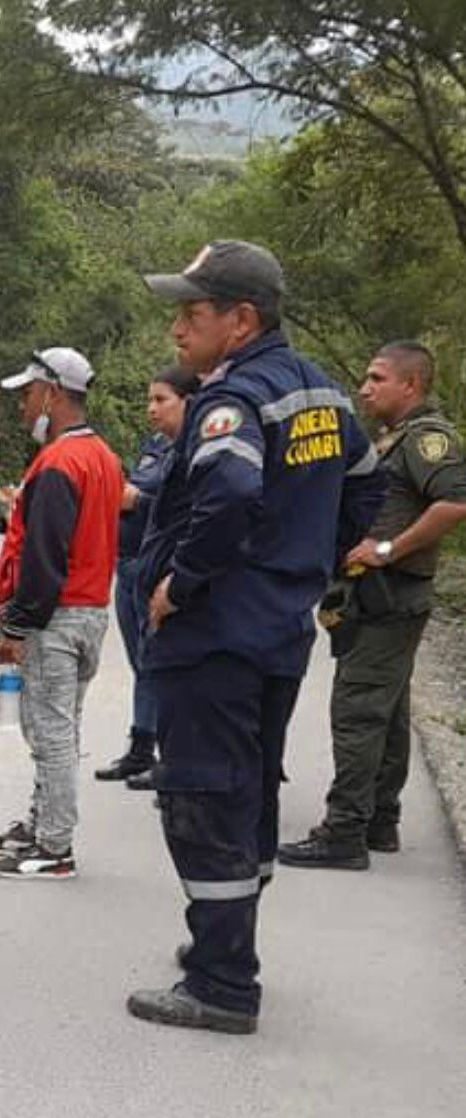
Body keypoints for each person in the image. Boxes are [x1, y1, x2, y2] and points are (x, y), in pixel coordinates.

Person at [126, 241, 385, 1035]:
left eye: (191, 313)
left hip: (216, 635)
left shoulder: (232, 400)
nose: (177, 329)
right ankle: (223, 944)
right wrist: (304, 564)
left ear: (241, 321)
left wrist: (184, 583)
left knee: (203, 795)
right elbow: (367, 482)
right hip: (276, 631)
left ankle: (223, 984)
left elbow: (232, 489)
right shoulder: (326, 396)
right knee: (249, 792)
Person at [279, 342, 466, 869]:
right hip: (375, 597)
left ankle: (344, 832)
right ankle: (379, 820)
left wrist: (387, 549)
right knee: (386, 711)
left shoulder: (428, 440)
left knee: (358, 710)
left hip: (391, 594)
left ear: (411, 385)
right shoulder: (396, 439)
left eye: (377, 378)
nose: (365, 387)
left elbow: (456, 501)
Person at [0, 347, 123, 881]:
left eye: (27, 394)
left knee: (50, 733)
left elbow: (45, 557)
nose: (23, 406)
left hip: (56, 616)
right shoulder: (104, 458)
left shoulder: (60, 462)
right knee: (61, 727)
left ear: (54, 393)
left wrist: (17, 626)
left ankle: (53, 846)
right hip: (88, 611)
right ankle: (41, 823)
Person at [96, 367, 199, 791]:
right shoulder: (158, 445)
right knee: (143, 663)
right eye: (150, 399)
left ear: (188, 401)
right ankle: (142, 748)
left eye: (162, 400)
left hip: (164, 570)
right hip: (131, 563)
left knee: (167, 663)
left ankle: (177, 760)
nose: (151, 408)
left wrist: (137, 497)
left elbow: (186, 503)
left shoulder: (197, 448)